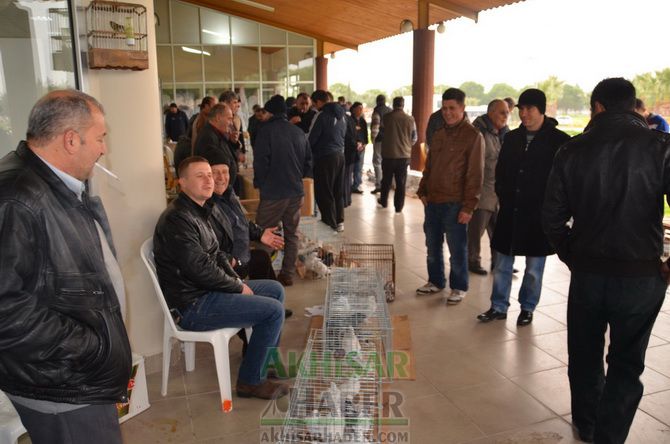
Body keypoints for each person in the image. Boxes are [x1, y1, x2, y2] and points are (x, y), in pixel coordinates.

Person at [543, 77, 670, 444]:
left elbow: (551, 218)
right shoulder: (661, 147)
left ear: (597, 107)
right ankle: (609, 437)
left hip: (588, 275)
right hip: (641, 276)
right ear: (633, 107)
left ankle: (586, 423)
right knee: (627, 364)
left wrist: (571, 255)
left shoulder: (572, 150)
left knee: (584, 355)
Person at [0, 90, 131, 443]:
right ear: (71, 140)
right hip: (64, 387)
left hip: (74, 379)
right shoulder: (19, 196)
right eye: (100, 138)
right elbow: (5, 311)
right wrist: (91, 347)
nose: (103, 148)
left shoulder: (52, 186)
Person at [153, 156, 289, 400]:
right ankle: (250, 382)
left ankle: (259, 359)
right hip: (193, 305)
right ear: (182, 183)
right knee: (273, 311)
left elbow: (217, 255)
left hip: (206, 291)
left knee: (274, 289)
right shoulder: (178, 219)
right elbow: (200, 269)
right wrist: (237, 288)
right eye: (200, 175)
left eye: (209, 174)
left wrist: (237, 282)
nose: (209, 180)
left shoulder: (201, 210)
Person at [477, 89, 570, 326]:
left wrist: (554, 210)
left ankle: (528, 307)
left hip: (538, 216)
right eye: (521, 109)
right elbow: (501, 172)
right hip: (510, 210)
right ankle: (498, 306)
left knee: (534, 269)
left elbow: (564, 181)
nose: (524, 114)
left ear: (542, 110)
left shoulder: (559, 141)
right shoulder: (512, 138)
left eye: (529, 109)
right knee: (502, 265)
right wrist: (503, 195)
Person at [416, 88, 484, 304]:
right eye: (444, 108)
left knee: (457, 249)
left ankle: (459, 286)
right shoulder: (439, 133)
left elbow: (475, 174)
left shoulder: (473, 136)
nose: (447, 113)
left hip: (456, 203)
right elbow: (430, 166)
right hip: (433, 201)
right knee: (432, 246)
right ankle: (435, 281)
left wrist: (469, 207)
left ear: (462, 108)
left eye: (452, 108)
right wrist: (423, 189)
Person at [253, 95, 313, 286]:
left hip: (273, 192)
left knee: (264, 233)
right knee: (291, 232)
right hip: (295, 191)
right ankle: (287, 273)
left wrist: (261, 184)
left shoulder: (265, 131)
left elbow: (261, 162)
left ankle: (262, 278)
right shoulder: (298, 132)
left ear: (269, 112)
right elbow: (308, 162)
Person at [467, 99, 510, 275]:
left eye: (507, 112)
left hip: (498, 192)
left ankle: (498, 261)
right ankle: (472, 261)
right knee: (476, 231)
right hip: (482, 192)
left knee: (498, 232)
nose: (506, 116)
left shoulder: (502, 133)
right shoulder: (478, 133)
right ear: (491, 112)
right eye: (502, 112)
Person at [308, 89, 347, 232]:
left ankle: (329, 223)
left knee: (324, 192)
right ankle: (339, 221)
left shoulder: (322, 115)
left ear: (318, 102)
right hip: (340, 156)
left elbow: (311, 138)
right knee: (337, 190)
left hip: (325, 157)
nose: (314, 107)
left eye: (314, 104)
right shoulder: (343, 115)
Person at [378, 97, 417, 213]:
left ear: (393, 105)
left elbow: (381, 134)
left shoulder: (386, 118)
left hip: (388, 155)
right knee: (401, 182)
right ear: (403, 105)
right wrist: (406, 145)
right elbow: (414, 137)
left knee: (386, 180)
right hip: (403, 156)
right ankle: (398, 207)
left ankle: (384, 201)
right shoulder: (410, 119)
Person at [193, 103, 238, 189]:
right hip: (216, 191)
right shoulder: (208, 137)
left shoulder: (216, 134)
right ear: (218, 118)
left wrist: (232, 142)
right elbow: (213, 167)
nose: (231, 123)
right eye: (229, 119)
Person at [369, 94, 392, 194]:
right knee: (386, 162)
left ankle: (379, 184)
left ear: (377, 101)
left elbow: (375, 127)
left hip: (379, 139)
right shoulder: (390, 110)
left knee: (377, 161)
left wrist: (373, 140)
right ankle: (387, 184)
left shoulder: (377, 111)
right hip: (389, 139)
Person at [350, 102, 368, 193]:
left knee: (359, 167)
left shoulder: (362, 121)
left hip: (361, 147)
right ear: (353, 109)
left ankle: (356, 185)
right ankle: (349, 185)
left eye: (362, 108)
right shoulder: (350, 120)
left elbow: (365, 134)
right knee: (351, 166)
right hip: (352, 147)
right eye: (359, 108)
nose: (361, 110)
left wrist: (364, 144)